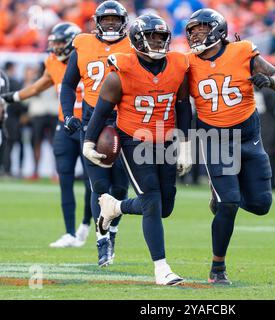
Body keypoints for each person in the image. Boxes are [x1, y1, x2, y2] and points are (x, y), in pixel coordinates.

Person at [84, 14, 192, 285]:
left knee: (164, 207)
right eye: (152, 36)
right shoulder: (121, 70)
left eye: (161, 36)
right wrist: (88, 141)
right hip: (134, 140)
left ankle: (114, 207)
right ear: (136, 40)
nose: (158, 41)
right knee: (152, 201)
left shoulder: (178, 64)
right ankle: (161, 268)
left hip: (165, 140)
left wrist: (187, 144)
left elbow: (182, 106)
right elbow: (101, 111)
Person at [185, 8, 275, 284]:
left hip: (248, 138)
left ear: (217, 31)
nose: (196, 36)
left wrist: (268, 81)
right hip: (215, 139)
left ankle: (220, 194)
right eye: (192, 32)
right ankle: (217, 269)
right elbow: (181, 103)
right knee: (229, 203)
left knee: (261, 204)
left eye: (201, 30)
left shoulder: (243, 51)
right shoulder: (189, 63)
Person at [1, 23, 92, 247]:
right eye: (55, 42)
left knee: (93, 182)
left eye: (61, 42)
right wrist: (9, 98)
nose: (56, 47)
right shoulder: (52, 62)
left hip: (90, 126)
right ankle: (70, 233)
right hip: (65, 126)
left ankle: (87, 224)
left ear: (72, 41)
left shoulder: (88, 58)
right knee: (65, 179)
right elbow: (37, 87)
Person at [60, 0, 131, 267]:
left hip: (125, 121)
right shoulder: (83, 44)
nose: (110, 24)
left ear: (123, 22)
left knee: (121, 187)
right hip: (92, 122)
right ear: (97, 22)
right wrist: (69, 115)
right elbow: (68, 85)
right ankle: (102, 240)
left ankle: (112, 232)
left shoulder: (134, 46)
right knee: (99, 186)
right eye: (106, 19)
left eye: (115, 19)